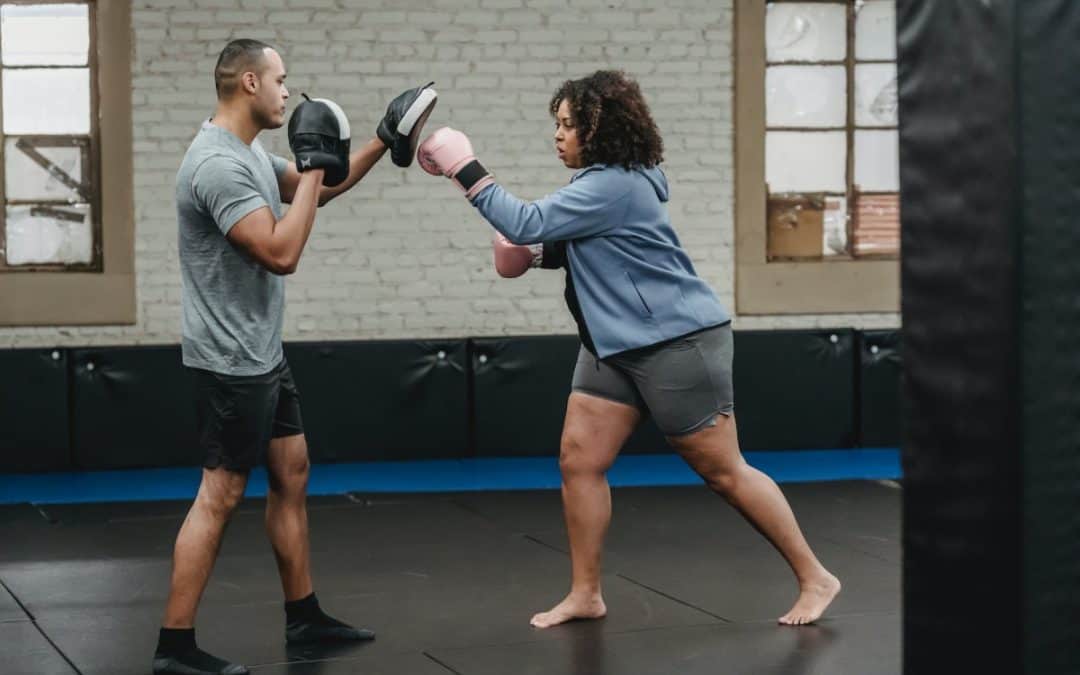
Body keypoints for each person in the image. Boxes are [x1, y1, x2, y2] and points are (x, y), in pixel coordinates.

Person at [418, 70, 841, 629]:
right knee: (579, 460)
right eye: (557, 124)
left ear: (601, 130)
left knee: (724, 472)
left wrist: (463, 167)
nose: (558, 135)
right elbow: (591, 250)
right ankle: (585, 593)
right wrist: (538, 256)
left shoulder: (614, 184)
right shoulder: (601, 186)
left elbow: (524, 220)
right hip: (611, 344)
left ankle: (816, 576)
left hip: (674, 342)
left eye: (569, 125)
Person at [155, 39, 436, 675]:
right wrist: (311, 169)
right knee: (220, 494)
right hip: (228, 360)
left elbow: (321, 188)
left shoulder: (249, 152)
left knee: (293, 471)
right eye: (282, 80)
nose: (289, 91)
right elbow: (281, 251)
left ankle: (304, 617)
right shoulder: (216, 166)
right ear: (250, 82)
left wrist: (378, 138)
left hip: (260, 353)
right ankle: (173, 647)